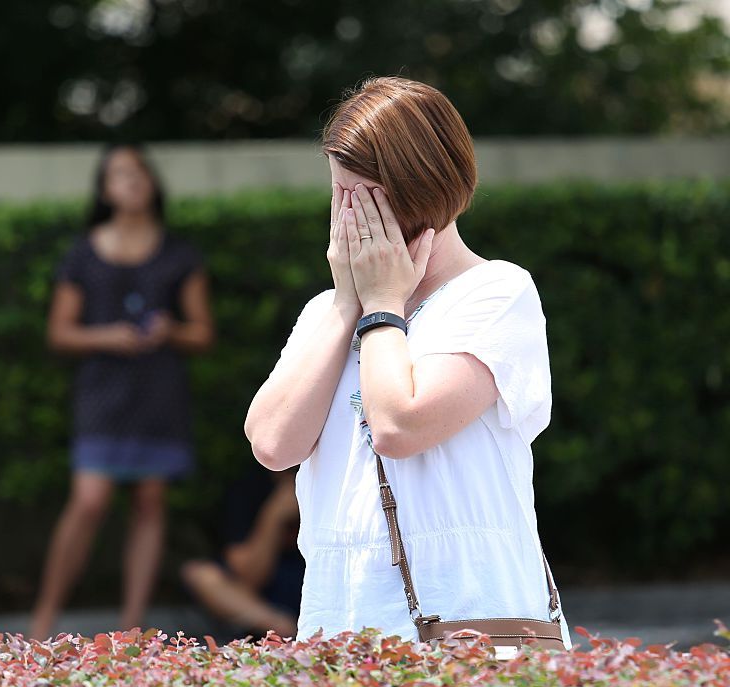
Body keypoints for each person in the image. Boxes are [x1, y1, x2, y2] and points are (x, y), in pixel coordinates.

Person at [244, 77, 571, 647]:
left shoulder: (497, 291)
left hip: (472, 617)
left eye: (364, 199)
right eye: (338, 194)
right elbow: (273, 443)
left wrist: (383, 307)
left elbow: (400, 424)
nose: (348, 216)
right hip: (340, 624)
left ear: (423, 191)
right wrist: (351, 301)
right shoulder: (328, 312)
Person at [30, 144, 214, 639]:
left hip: (158, 393)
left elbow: (202, 332)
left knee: (150, 502)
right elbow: (59, 331)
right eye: (119, 174)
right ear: (105, 189)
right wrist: (107, 336)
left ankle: (132, 627)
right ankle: (44, 619)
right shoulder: (82, 252)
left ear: (151, 183)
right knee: (89, 500)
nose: (131, 181)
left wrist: (170, 330)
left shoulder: (180, 253)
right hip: (102, 394)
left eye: (139, 173)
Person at [181, 468, 303, 639]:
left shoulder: (338, 488)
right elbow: (249, 575)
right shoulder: (249, 487)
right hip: (265, 600)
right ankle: (288, 632)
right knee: (199, 574)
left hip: (314, 589)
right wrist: (275, 514)